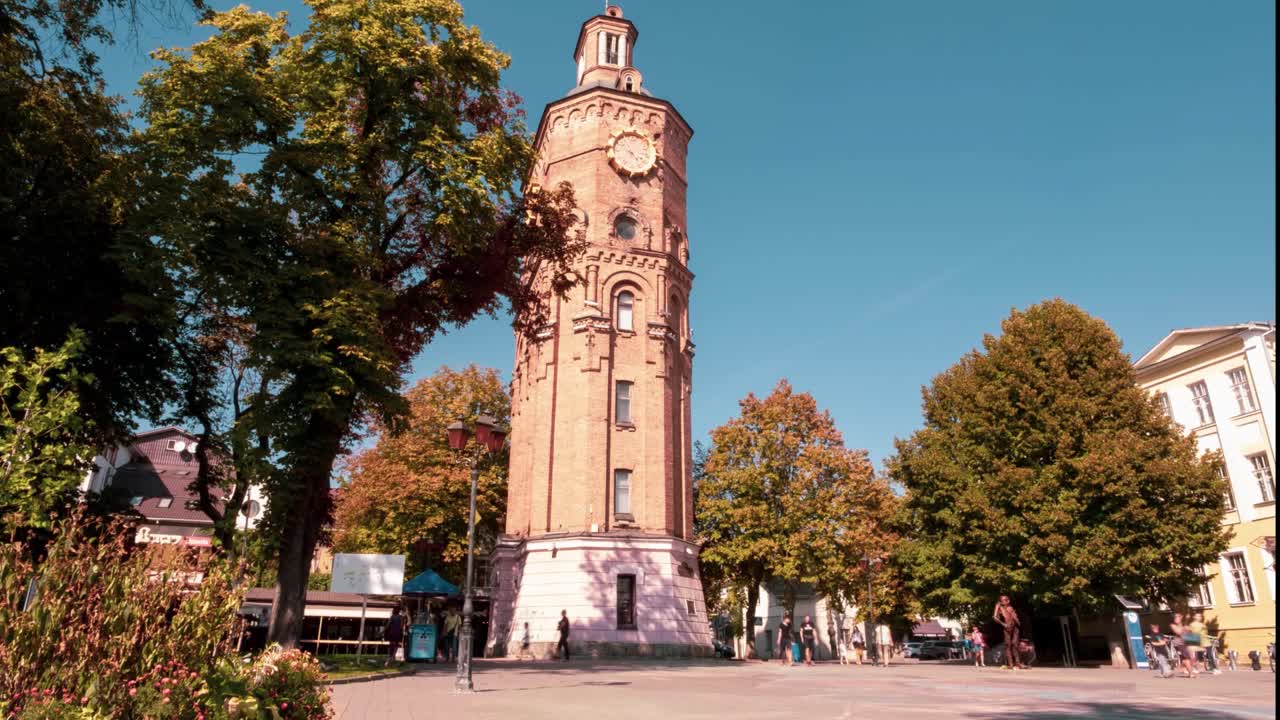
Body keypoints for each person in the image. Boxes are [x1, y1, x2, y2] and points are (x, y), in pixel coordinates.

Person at [993, 595, 1024, 670]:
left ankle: (1018, 663)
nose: (1003, 602)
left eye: (1005, 600)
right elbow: (994, 617)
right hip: (1007, 628)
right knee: (1008, 645)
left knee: (1015, 644)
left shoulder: (1010, 608)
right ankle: (1010, 664)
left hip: (1015, 628)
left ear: (1008, 601)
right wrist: (1003, 624)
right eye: (1001, 601)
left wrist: (1017, 622)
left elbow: (1015, 617)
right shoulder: (999, 609)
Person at [1170, 613, 1197, 678]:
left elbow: (1190, 632)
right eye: (1175, 617)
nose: (1177, 618)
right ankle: (1190, 673)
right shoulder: (1173, 625)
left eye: (1178, 617)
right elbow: (1178, 632)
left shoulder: (1184, 625)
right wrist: (1184, 627)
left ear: (1181, 618)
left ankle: (1185, 668)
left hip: (1186, 643)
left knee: (1191, 658)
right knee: (1186, 658)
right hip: (1179, 644)